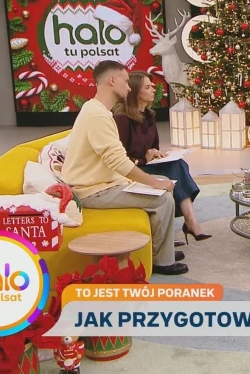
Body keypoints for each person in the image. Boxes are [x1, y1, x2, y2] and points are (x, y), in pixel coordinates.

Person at [60, 60, 188, 276]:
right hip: (92, 191)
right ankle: (162, 261)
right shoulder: (98, 115)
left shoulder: (95, 109)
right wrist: (154, 183)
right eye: (126, 81)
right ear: (112, 80)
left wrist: (153, 181)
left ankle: (158, 250)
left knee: (163, 183)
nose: (129, 88)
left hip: (101, 184)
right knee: (163, 198)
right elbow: (118, 161)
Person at [113, 70, 211, 246]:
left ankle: (190, 221)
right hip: (133, 169)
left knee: (178, 164)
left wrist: (155, 153)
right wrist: (144, 158)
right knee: (176, 169)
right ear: (136, 92)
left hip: (147, 163)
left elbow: (154, 146)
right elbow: (119, 157)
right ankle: (189, 224)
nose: (154, 90)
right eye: (148, 87)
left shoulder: (149, 115)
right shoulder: (122, 119)